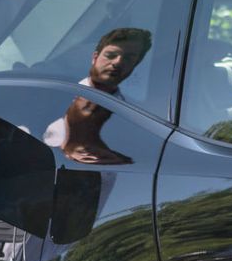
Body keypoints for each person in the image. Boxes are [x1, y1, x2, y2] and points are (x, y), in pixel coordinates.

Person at [42, 27, 153, 164]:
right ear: (95, 58)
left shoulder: (132, 118)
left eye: (129, 58)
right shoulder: (51, 94)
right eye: (111, 55)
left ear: (135, 65)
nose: (118, 62)